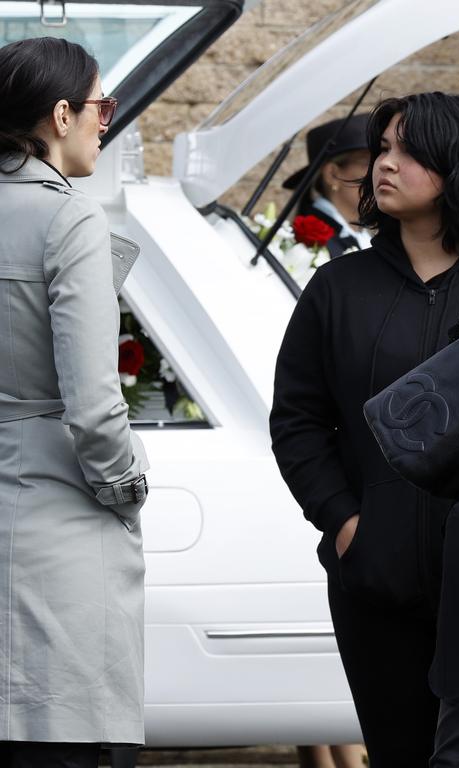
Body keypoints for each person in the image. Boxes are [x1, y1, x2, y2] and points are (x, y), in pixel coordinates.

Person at [269, 92, 459, 768]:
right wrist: (347, 524)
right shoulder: (339, 288)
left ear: (457, 163)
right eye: (382, 148)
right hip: (376, 582)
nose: (384, 164)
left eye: (408, 149)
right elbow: (298, 421)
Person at [0, 37, 149, 768]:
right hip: (55, 521)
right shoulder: (70, 219)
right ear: (61, 115)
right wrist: (126, 486)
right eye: (101, 106)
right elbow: (94, 404)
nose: (105, 122)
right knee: (69, 736)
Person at [283, 113, 373, 257]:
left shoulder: (367, 238)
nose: (381, 174)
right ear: (332, 174)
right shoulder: (310, 244)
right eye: (369, 164)